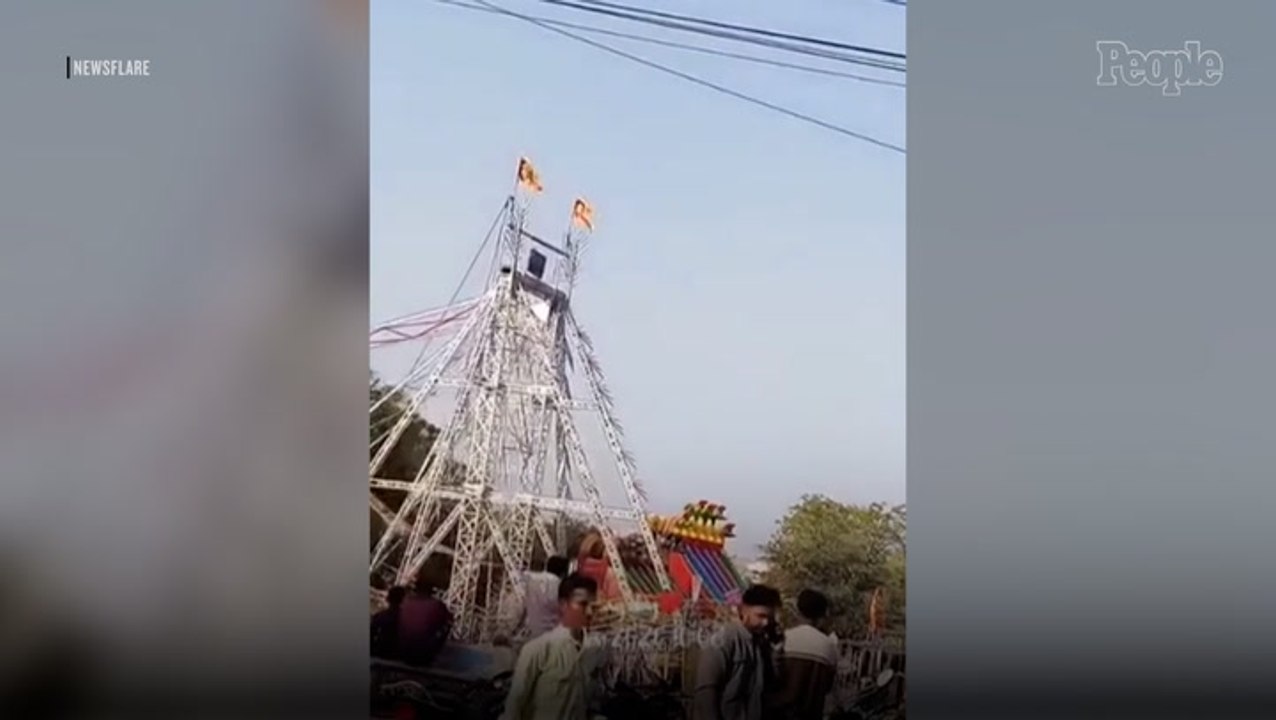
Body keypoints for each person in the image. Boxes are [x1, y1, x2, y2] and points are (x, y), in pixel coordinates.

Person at [502, 573, 606, 720]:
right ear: (563, 605)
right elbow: (513, 709)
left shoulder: (594, 652)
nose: (589, 612)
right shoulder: (538, 650)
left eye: (593, 606)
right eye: (582, 604)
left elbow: (590, 703)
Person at [693, 584, 783, 720]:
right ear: (744, 610)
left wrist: (775, 650)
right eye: (760, 616)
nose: (765, 623)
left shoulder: (761, 644)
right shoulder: (724, 638)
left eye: (769, 618)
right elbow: (706, 690)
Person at [775, 590, 840, 720]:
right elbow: (828, 686)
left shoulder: (783, 640)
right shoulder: (829, 645)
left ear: (798, 611)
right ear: (823, 614)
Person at [396, 579, 452, 667]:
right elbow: (449, 620)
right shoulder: (436, 604)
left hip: (403, 651)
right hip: (425, 654)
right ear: (430, 591)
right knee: (445, 625)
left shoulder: (406, 602)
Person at [519, 555, 570, 639]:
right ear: (564, 572)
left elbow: (520, 573)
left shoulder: (532, 578)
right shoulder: (559, 585)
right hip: (552, 635)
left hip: (532, 634)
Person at [370, 585, 407, 659]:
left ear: (388, 599)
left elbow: (371, 635)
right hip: (400, 654)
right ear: (403, 600)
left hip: (381, 652)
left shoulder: (380, 616)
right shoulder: (407, 618)